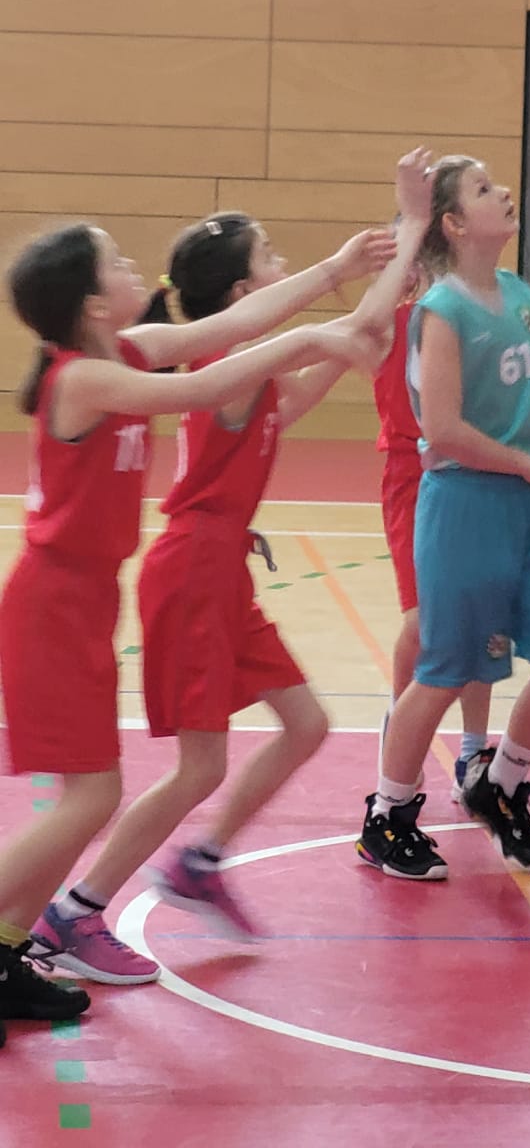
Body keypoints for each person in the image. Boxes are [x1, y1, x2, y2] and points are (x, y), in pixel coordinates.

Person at [32, 169, 428, 987]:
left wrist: (364, 295)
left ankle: (201, 861)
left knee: (306, 724)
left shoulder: (230, 367)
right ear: (245, 288)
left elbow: (345, 343)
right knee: (197, 767)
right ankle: (74, 911)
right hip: (191, 573)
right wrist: (407, 235)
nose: (282, 264)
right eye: (272, 255)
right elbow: (342, 333)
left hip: (217, 568)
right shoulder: (219, 366)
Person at [356, 156, 530, 881]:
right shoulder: (441, 310)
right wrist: (527, 464)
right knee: (442, 669)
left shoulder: (521, 296)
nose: (506, 191)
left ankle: (500, 784)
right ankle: (387, 815)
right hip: (466, 503)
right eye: (486, 189)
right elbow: (443, 431)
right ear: (455, 223)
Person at [371, 269, 491, 808]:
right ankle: (400, 728)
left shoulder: (475, 318)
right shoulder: (387, 321)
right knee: (421, 623)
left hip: (475, 472)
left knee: (482, 621)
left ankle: (473, 752)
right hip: (412, 476)